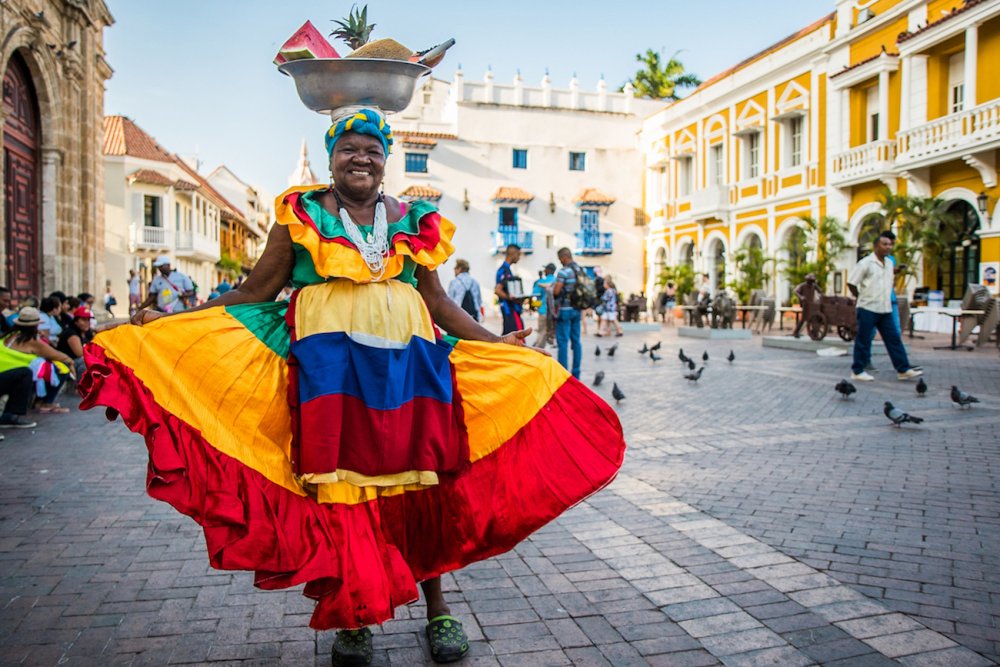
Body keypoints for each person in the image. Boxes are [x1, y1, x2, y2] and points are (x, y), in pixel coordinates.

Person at [80, 107, 625, 666]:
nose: (360, 157)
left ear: (385, 159)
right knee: (343, 492)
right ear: (331, 158)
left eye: (371, 148)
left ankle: (439, 610)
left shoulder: (416, 220)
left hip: (410, 374)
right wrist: (170, 324)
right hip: (330, 379)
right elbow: (253, 291)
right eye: (348, 149)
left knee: (423, 484)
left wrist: (494, 343)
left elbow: (437, 304)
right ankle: (355, 617)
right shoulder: (299, 217)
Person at [848, 231, 922, 382]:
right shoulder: (865, 263)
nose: (888, 247)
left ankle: (903, 369)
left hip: (885, 308)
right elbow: (851, 283)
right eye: (884, 244)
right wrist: (860, 297)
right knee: (863, 340)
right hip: (868, 308)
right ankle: (857, 370)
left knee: (894, 339)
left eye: (890, 244)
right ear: (876, 246)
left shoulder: (889, 263)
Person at [1, 307, 75, 413]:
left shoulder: (9, 335)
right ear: (36, 325)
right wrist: (71, 363)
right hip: (13, 374)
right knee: (61, 367)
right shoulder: (31, 340)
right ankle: (46, 402)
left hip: (6, 371)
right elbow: (57, 355)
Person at [552, 247, 584, 379]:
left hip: (565, 310)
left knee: (563, 341)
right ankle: (576, 373)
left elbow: (556, 291)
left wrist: (552, 289)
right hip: (577, 309)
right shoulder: (580, 270)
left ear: (564, 257)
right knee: (576, 341)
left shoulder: (564, 271)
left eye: (560, 259)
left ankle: (563, 374)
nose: (560, 262)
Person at [495, 244, 526, 335]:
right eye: (519, 255)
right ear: (513, 254)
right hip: (509, 309)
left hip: (510, 310)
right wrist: (513, 298)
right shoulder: (504, 270)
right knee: (516, 336)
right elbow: (497, 290)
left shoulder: (507, 269)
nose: (519, 258)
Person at [56, 306, 94, 380]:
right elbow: (80, 354)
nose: (87, 322)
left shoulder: (86, 332)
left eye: (88, 320)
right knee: (86, 361)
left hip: (76, 362)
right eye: (83, 320)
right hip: (68, 363)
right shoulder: (71, 334)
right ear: (76, 321)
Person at [530, 263, 556, 348]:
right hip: (554, 312)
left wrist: (534, 306)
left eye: (545, 269)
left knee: (542, 331)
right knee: (547, 331)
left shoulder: (541, 282)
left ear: (549, 270)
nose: (544, 271)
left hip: (544, 310)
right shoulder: (557, 281)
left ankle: (538, 350)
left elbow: (535, 294)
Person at [791, 273, 820, 339]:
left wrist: (818, 287)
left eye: (812, 281)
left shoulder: (814, 285)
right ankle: (796, 332)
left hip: (812, 304)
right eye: (810, 281)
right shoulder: (802, 285)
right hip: (805, 304)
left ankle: (815, 332)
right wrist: (801, 297)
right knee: (803, 319)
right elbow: (795, 291)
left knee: (814, 318)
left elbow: (820, 291)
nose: (811, 282)